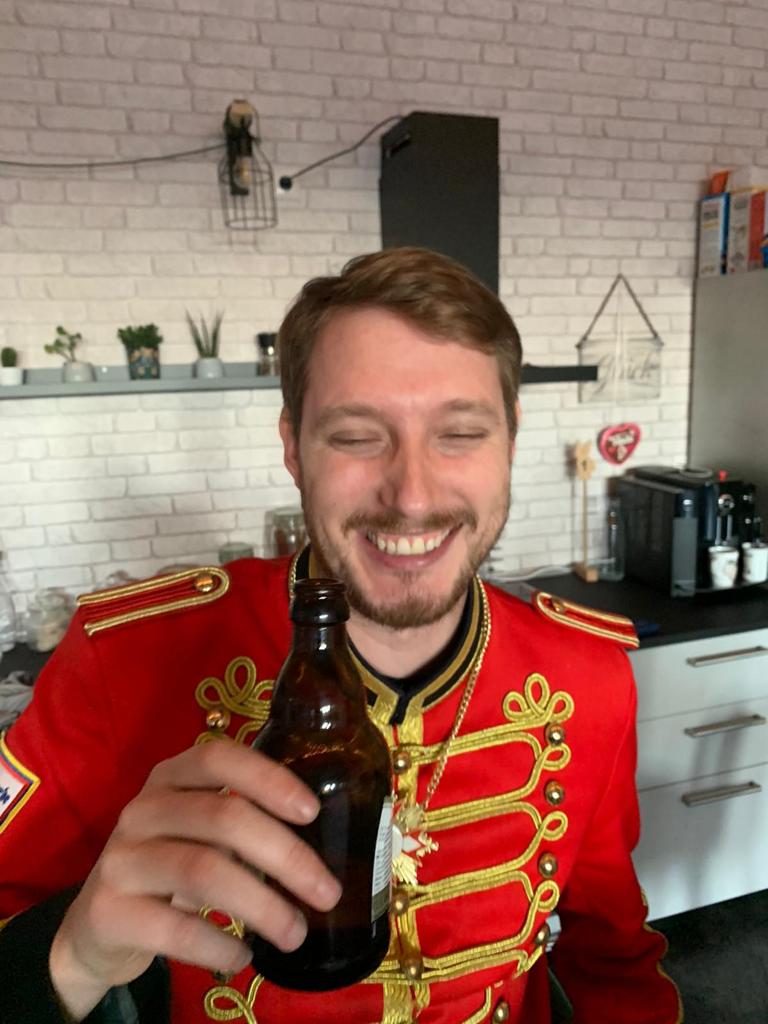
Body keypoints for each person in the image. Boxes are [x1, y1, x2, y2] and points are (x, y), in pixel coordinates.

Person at [0, 248, 682, 1024]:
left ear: (511, 442)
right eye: (356, 436)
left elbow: (613, 960)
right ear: (293, 447)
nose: (412, 497)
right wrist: (70, 957)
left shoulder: (588, 673)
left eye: (461, 433)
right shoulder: (122, 662)